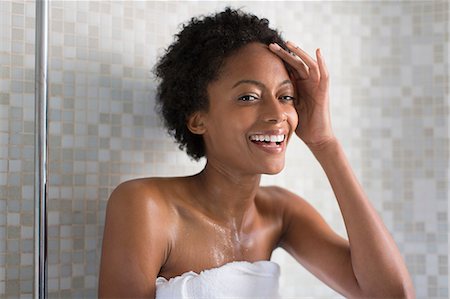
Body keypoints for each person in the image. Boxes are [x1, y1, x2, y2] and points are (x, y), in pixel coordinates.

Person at [98, 8, 415, 299]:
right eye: (248, 97)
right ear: (197, 118)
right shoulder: (146, 206)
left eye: (286, 96)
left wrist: (325, 143)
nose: (277, 114)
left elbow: (392, 295)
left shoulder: (281, 213)